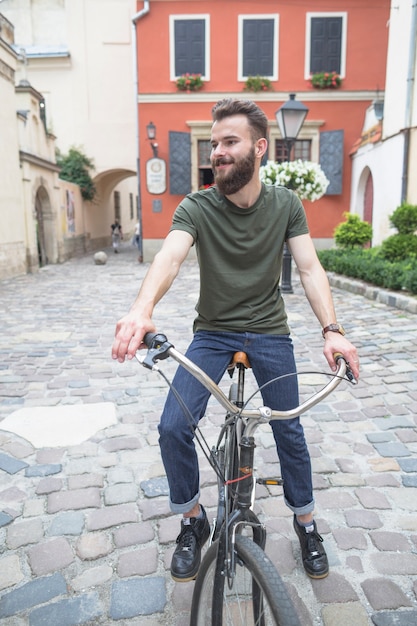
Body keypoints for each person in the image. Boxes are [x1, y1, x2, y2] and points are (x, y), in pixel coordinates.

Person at [112, 98, 359, 583]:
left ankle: (306, 523)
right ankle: (192, 519)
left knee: (289, 427)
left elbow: (309, 268)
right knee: (172, 426)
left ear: (259, 147)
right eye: (214, 143)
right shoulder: (197, 206)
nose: (218, 152)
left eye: (230, 142)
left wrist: (333, 331)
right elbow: (170, 259)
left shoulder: (286, 203)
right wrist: (142, 310)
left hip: (269, 331)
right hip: (213, 332)